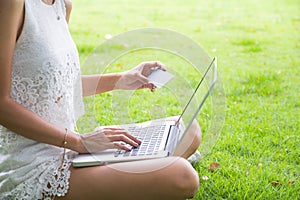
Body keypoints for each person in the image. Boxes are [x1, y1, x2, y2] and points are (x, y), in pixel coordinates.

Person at [0, 0, 202, 199]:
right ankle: (154, 170)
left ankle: (149, 167)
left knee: (189, 130)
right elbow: (2, 104)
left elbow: (58, 86)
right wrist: (80, 142)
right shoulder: (12, 4)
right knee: (182, 176)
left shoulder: (62, 5)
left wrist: (122, 79)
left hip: (70, 148)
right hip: (32, 164)